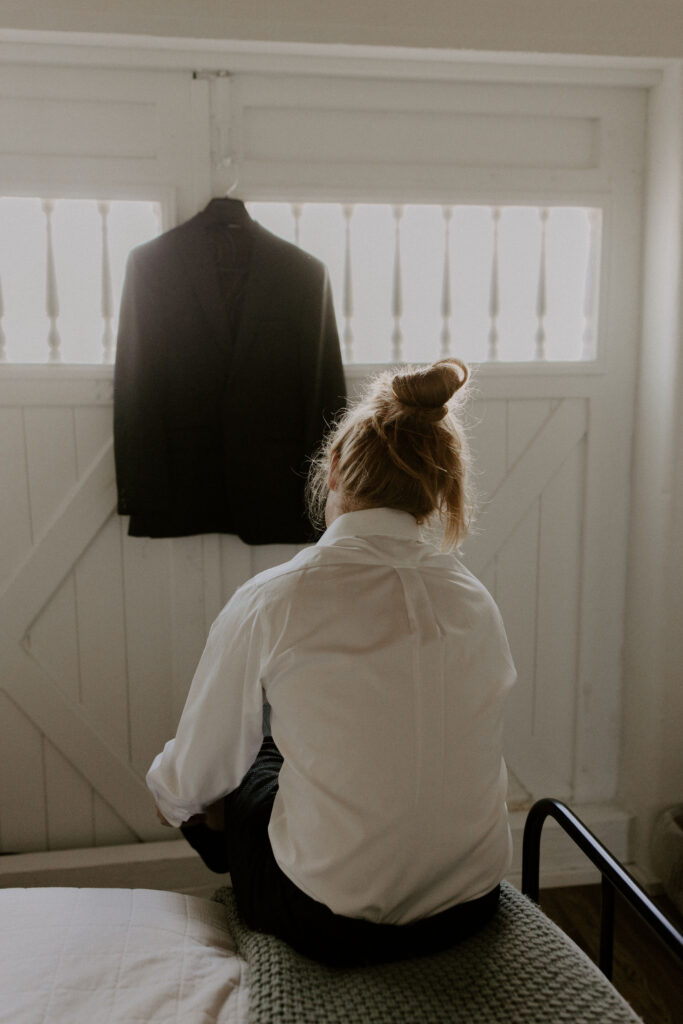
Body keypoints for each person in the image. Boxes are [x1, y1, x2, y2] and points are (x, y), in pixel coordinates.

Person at [146, 357, 517, 966]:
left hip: (332, 922)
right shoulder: (474, 596)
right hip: (472, 903)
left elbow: (191, 780)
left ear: (336, 468)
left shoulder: (278, 597)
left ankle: (248, 873)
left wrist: (170, 798)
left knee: (246, 756)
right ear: (438, 488)